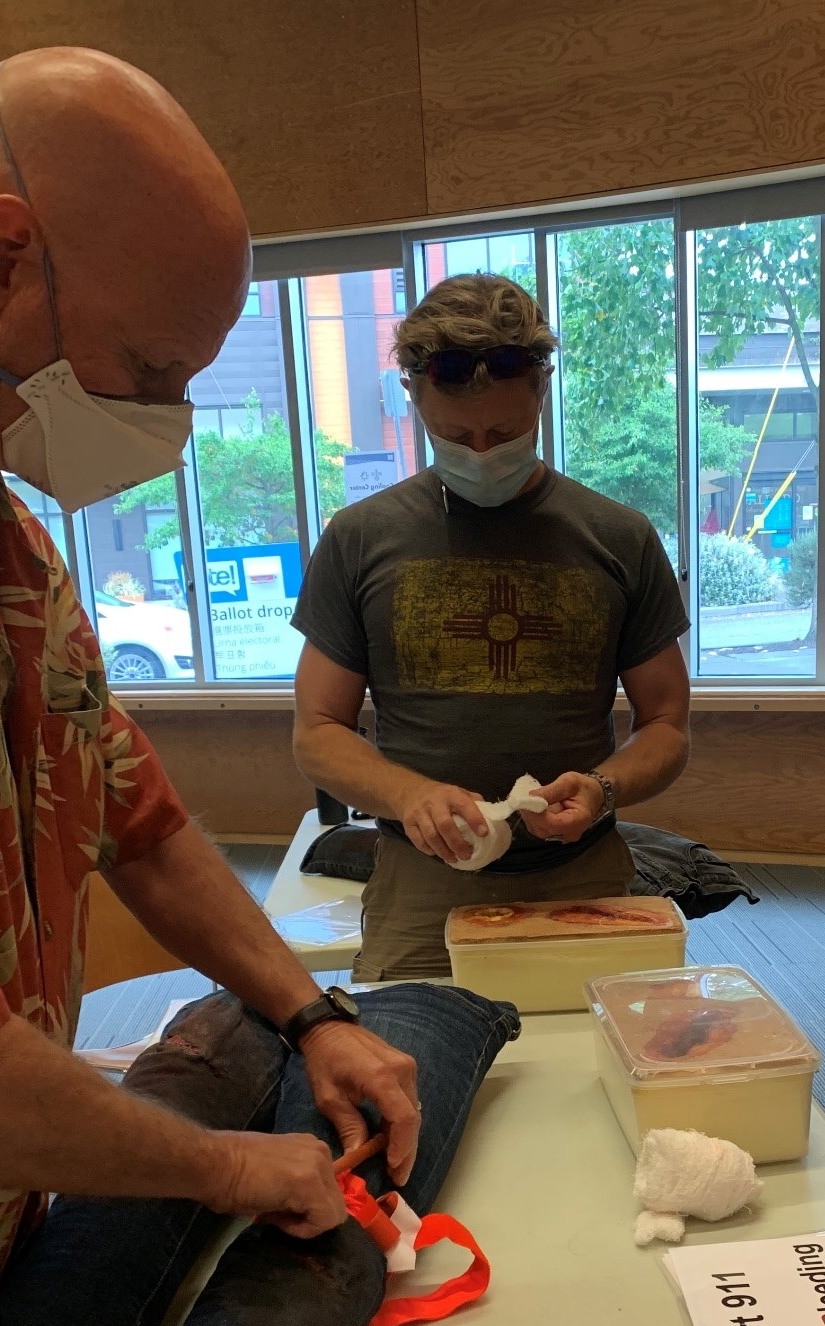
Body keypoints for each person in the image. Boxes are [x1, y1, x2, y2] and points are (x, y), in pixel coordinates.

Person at [0, 54, 421, 1326]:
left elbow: (133, 816)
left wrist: (308, 1017)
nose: (162, 430)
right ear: (2, 259)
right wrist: (234, 1167)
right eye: (152, 373)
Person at [291, 273, 692, 981]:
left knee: (597, 1068)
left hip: (581, 872)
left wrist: (602, 789)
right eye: (453, 434)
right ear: (412, 397)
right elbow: (318, 731)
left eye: (505, 433)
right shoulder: (359, 538)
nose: (479, 452)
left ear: (539, 391)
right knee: (408, 1068)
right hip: (424, 885)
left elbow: (665, 725)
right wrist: (410, 796)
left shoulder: (618, 537)